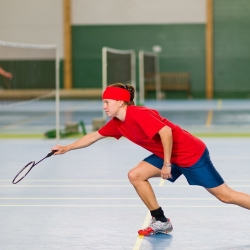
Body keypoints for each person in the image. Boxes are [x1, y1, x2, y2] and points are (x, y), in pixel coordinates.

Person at [52, 83, 250, 236]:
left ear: (120, 102)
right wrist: (66, 148)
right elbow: (94, 136)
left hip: (190, 154)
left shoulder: (139, 113)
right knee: (135, 175)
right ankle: (161, 220)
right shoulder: (117, 124)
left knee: (225, 196)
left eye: (107, 102)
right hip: (168, 154)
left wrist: (166, 163)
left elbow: (166, 132)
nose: (104, 106)